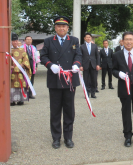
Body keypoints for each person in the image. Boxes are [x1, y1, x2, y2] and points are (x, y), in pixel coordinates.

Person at [40, 16, 82, 149]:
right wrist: (50, 65)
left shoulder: (74, 40)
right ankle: (56, 138)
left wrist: (76, 64)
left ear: (67, 28)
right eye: (59, 26)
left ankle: (68, 137)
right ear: (55, 28)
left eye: (64, 26)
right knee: (55, 110)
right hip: (55, 79)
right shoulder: (48, 41)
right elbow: (43, 56)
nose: (61, 28)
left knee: (69, 110)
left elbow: (78, 55)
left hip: (69, 79)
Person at [112, 31, 133, 147]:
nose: (128, 41)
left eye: (130, 39)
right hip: (124, 88)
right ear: (122, 41)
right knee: (126, 112)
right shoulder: (117, 55)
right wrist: (119, 74)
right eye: (126, 39)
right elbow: (113, 70)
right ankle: (127, 136)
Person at [10, 33, 32, 106]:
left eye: (16, 41)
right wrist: (9, 66)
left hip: (20, 71)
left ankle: (21, 100)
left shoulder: (22, 50)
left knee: (22, 84)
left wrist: (23, 64)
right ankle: (12, 100)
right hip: (11, 72)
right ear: (11, 42)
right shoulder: (8, 51)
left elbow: (26, 59)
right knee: (11, 85)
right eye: (14, 41)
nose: (15, 42)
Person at [80, 33, 100, 98]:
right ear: (84, 38)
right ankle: (87, 93)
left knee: (94, 79)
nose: (88, 38)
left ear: (91, 38)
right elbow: (80, 56)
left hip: (93, 65)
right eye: (87, 37)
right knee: (86, 80)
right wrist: (80, 65)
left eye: (89, 37)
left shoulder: (94, 46)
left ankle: (93, 93)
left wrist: (98, 64)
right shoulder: (82, 46)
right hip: (85, 65)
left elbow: (97, 56)